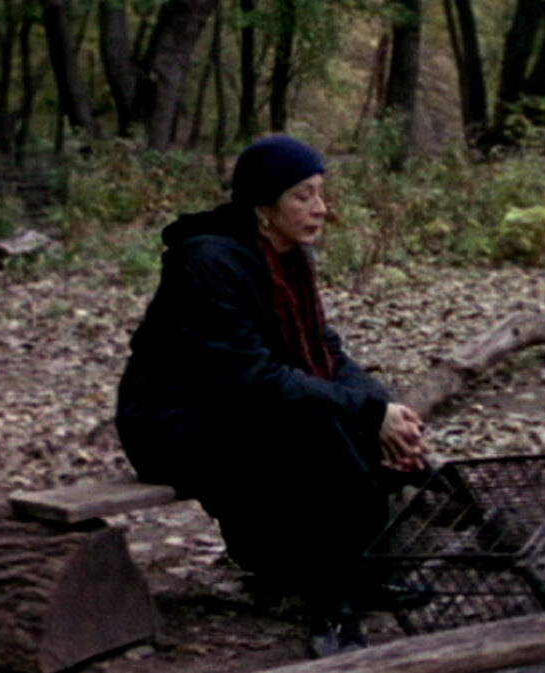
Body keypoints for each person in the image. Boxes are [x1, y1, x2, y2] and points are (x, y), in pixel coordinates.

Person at [115, 135, 429, 647]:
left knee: (343, 422)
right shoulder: (207, 262)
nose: (320, 207)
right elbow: (252, 380)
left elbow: (325, 351)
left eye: (321, 193)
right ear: (263, 207)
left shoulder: (289, 258)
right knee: (318, 432)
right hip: (171, 424)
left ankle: (361, 572)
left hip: (239, 410)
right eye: (303, 195)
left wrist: (382, 407)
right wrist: (369, 410)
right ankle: (333, 603)